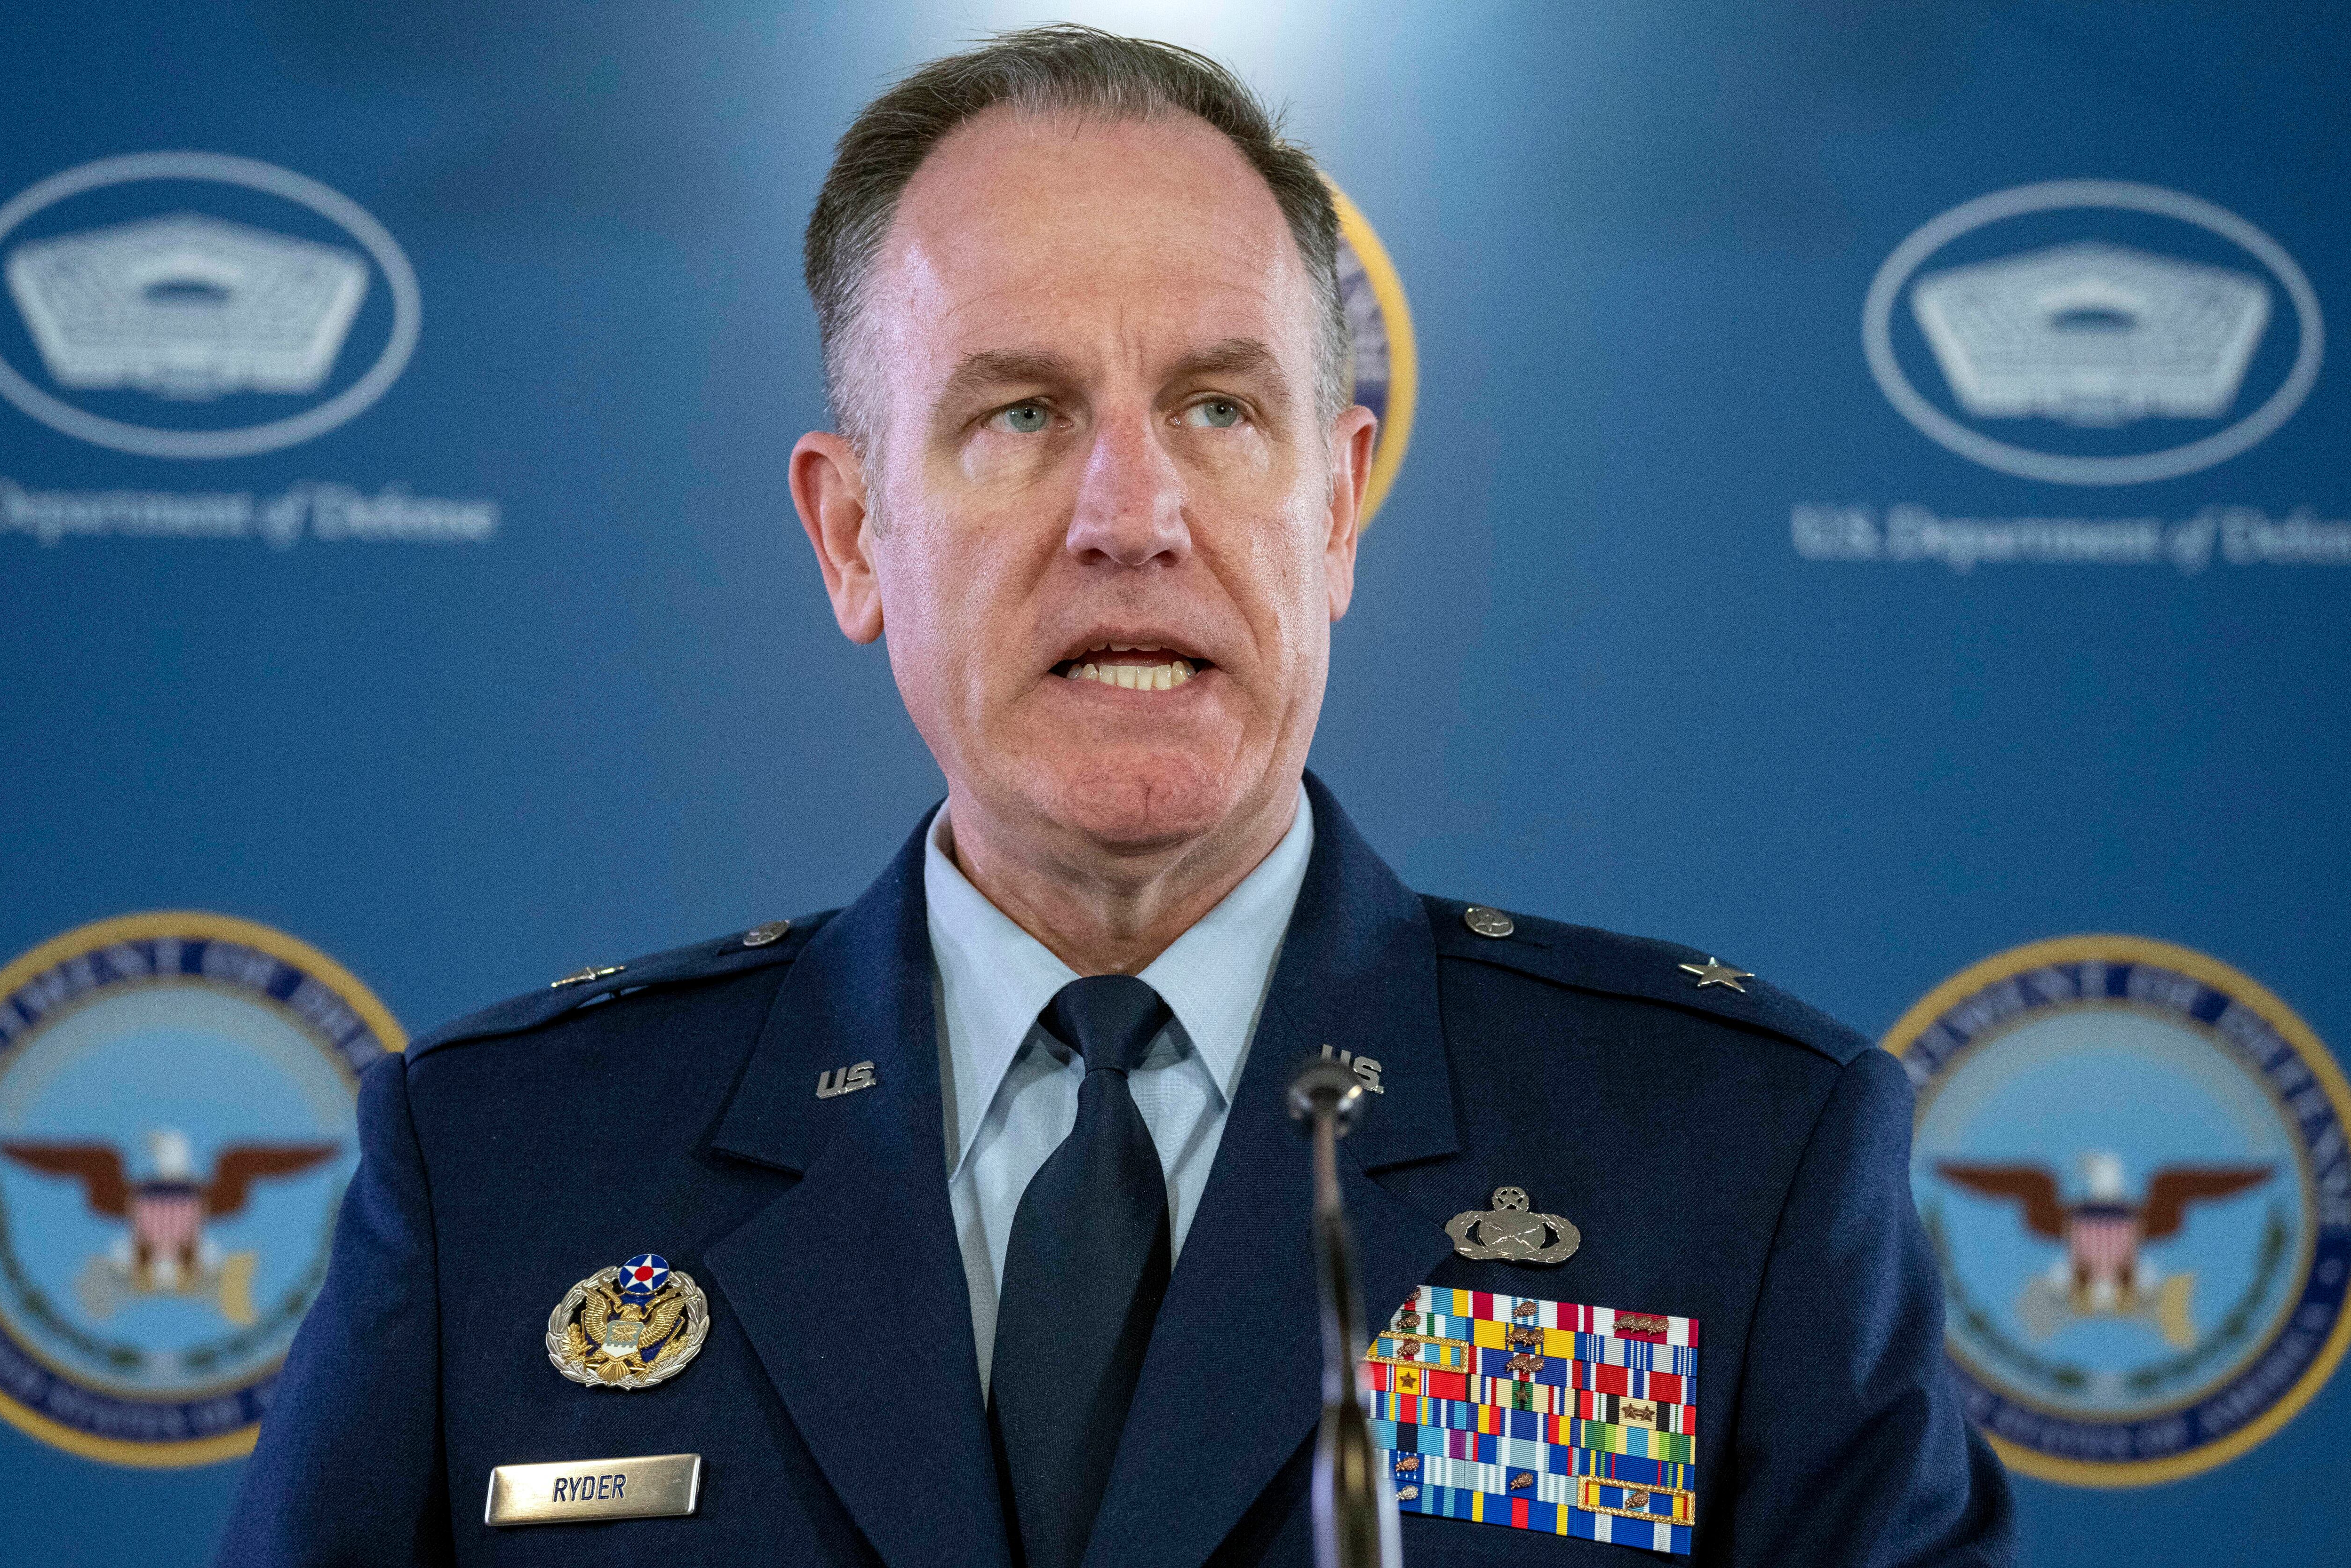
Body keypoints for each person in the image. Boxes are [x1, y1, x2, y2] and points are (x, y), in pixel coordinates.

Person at [220, 24, 2013, 1568]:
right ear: (853, 536)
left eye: (1221, 408)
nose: (1132, 516)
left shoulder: (1735, 1161)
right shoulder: (504, 1171)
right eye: (1019, 414)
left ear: (1336, 507)